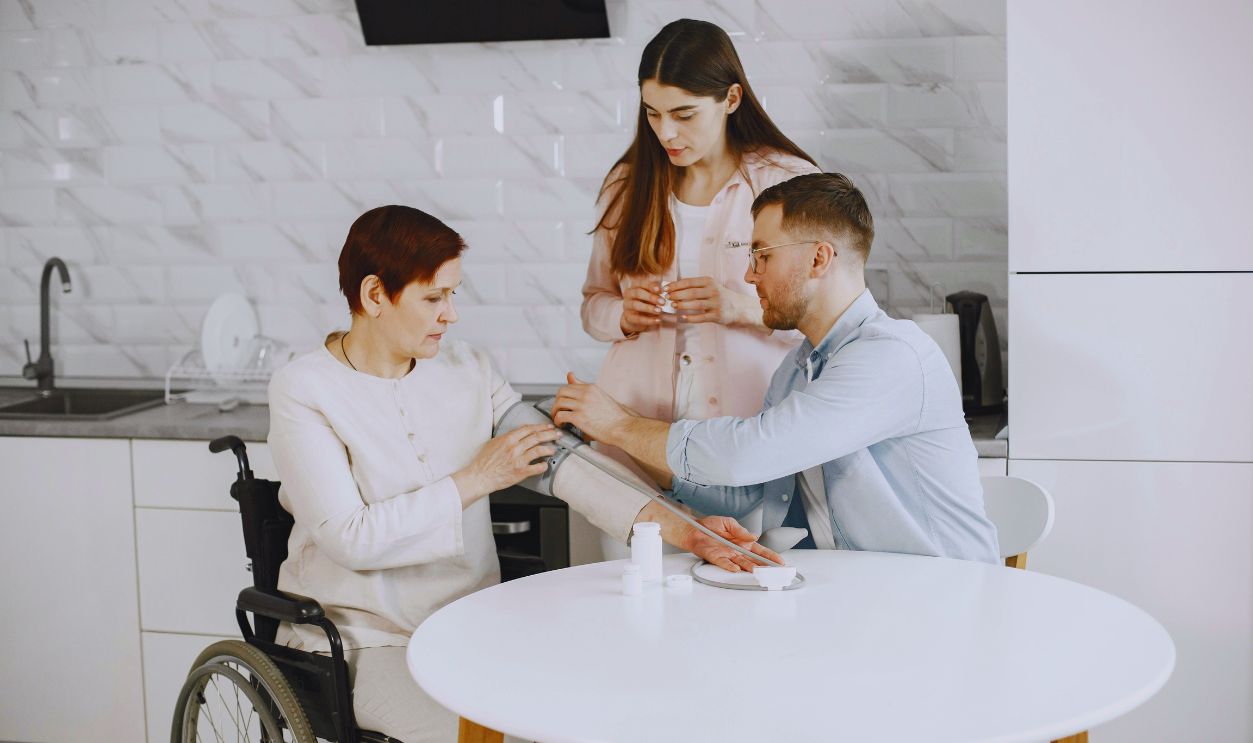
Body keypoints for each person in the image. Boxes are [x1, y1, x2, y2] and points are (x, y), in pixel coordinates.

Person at [267, 205, 778, 742]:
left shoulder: (468, 369)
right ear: (375, 296)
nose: (451, 314)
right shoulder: (305, 390)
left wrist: (688, 528)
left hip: (470, 627)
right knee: (495, 737)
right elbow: (352, 539)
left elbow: (564, 464)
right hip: (364, 642)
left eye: (453, 294)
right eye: (434, 297)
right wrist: (477, 477)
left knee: (589, 711)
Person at [556, 174, 1001, 563]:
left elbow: (747, 453)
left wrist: (619, 425)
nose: (750, 276)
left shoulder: (891, 357)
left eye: (762, 255)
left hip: (937, 602)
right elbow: (748, 491)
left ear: (819, 259)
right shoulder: (796, 368)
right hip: (857, 598)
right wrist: (618, 438)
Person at [581, 18, 820, 449]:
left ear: (731, 98)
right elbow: (594, 303)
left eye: (683, 114)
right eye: (652, 113)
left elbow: (828, 316)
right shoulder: (626, 185)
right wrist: (622, 316)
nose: (665, 132)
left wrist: (739, 307)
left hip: (749, 433)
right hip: (634, 431)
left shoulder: (786, 183)